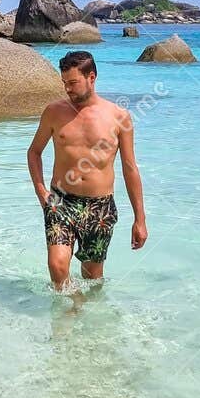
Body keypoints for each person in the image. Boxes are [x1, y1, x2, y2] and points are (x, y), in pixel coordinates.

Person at [26, 49, 147, 287]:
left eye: (73, 82)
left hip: (100, 207)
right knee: (57, 266)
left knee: (92, 279)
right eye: (64, 83)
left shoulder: (119, 116)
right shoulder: (54, 112)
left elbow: (130, 168)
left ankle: (87, 318)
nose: (67, 89)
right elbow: (34, 152)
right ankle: (63, 320)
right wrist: (42, 193)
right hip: (60, 201)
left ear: (91, 77)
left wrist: (140, 220)